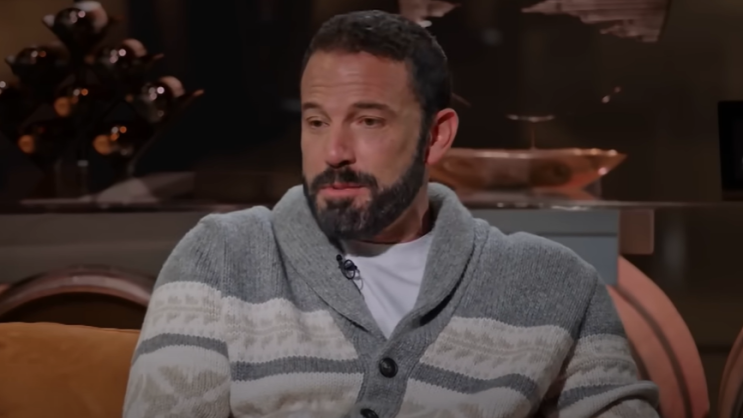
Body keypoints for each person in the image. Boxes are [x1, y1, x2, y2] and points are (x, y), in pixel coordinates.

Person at [123, 10, 659, 418]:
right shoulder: (220, 259)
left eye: (369, 121)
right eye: (316, 122)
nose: (335, 151)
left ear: (436, 136)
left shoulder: (554, 283)